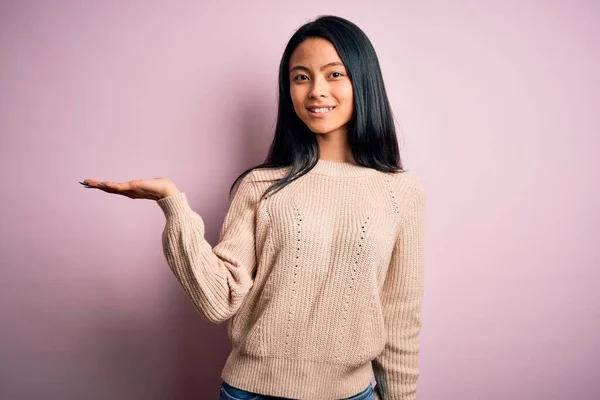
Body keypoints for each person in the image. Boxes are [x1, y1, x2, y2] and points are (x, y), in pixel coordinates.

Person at [80, 15, 425, 400]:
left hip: (352, 394)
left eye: (334, 74)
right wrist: (172, 204)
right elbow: (218, 299)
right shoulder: (260, 186)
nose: (316, 91)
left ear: (362, 81)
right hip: (253, 393)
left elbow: (399, 321)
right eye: (301, 77)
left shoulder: (401, 193)